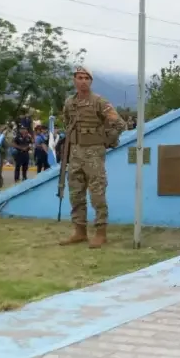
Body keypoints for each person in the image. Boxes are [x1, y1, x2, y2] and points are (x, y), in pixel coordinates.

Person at [59, 66, 125, 248]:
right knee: (76, 193)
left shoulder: (99, 102)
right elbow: (67, 123)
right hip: (75, 153)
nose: (83, 81)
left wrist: (106, 140)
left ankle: (101, 233)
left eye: (87, 78)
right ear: (74, 80)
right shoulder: (69, 103)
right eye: (79, 77)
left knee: (97, 194)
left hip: (94, 153)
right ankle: (79, 232)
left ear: (91, 81)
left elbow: (120, 124)